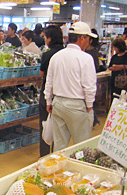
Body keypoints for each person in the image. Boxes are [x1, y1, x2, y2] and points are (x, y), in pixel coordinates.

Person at [44, 21, 97, 152]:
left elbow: (48, 82)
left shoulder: (56, 57)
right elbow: (89, 86)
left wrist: (48, 101)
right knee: (82, 146)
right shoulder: (85, 58)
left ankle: (59, 170)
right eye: (88, 38)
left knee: (59, 146)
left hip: (58, 104)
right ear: (82, 38)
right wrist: (89, 105)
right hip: (77, 105)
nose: (88, 42)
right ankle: (80, 170)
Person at [38, 25, 64, 157]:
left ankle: (44, 156)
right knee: (60, 129)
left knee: (45, 124)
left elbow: (42, 75)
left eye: (45, 37)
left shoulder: (47, 55)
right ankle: (56, 155)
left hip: (47, 94)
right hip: (61, 94)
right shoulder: (65, 53)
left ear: (49, 38)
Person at [85, 28, 101, 127]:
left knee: (88, 101)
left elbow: (96, 67)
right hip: (85, 80)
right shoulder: (85, 51)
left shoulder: (93, 52)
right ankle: (94, 119)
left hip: (89, 79)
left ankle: (94, 119)